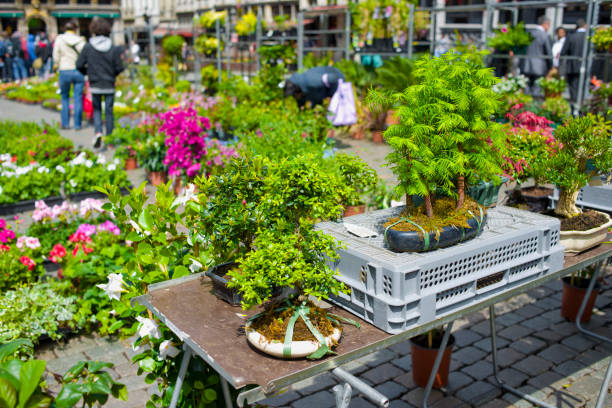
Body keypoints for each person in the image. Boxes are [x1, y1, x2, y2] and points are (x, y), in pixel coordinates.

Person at [76, 18, 124, 148]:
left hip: (95, 84)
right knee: (109, 112)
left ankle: (98, 132)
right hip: (109, 84)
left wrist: (88, 73)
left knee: (96, 110)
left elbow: (79, 64)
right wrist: (112, 75)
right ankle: (110, 137)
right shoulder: (113, 48)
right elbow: (120, 67)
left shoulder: (88, 47)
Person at [53, 21, 86, 130]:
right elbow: (84, 56)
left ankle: (65, 123)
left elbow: (56, 56)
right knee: (78, 98)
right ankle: (77, 124)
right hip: (78, 71)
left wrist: (57, 65)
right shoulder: (80, 40)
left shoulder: (59, 39)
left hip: (64, 70)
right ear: (75, 29)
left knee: (65, 98)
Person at [521, 16, 552, 97]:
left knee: (526, 88)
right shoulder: (545, 35)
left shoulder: (528, 33)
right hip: (539, 66)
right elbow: (548, 52)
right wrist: (551, 66)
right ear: (546, 24)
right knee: (536, 89)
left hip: (526, 64)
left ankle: (524, 107)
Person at [560, 19, 587, 102]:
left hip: (572, 67)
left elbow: (563, 52)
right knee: (583, 87)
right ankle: (581, 107)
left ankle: (574, 107)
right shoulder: (588, 37)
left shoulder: (571, 36)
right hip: (585, 66)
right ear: (585, 25)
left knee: (573, 88)